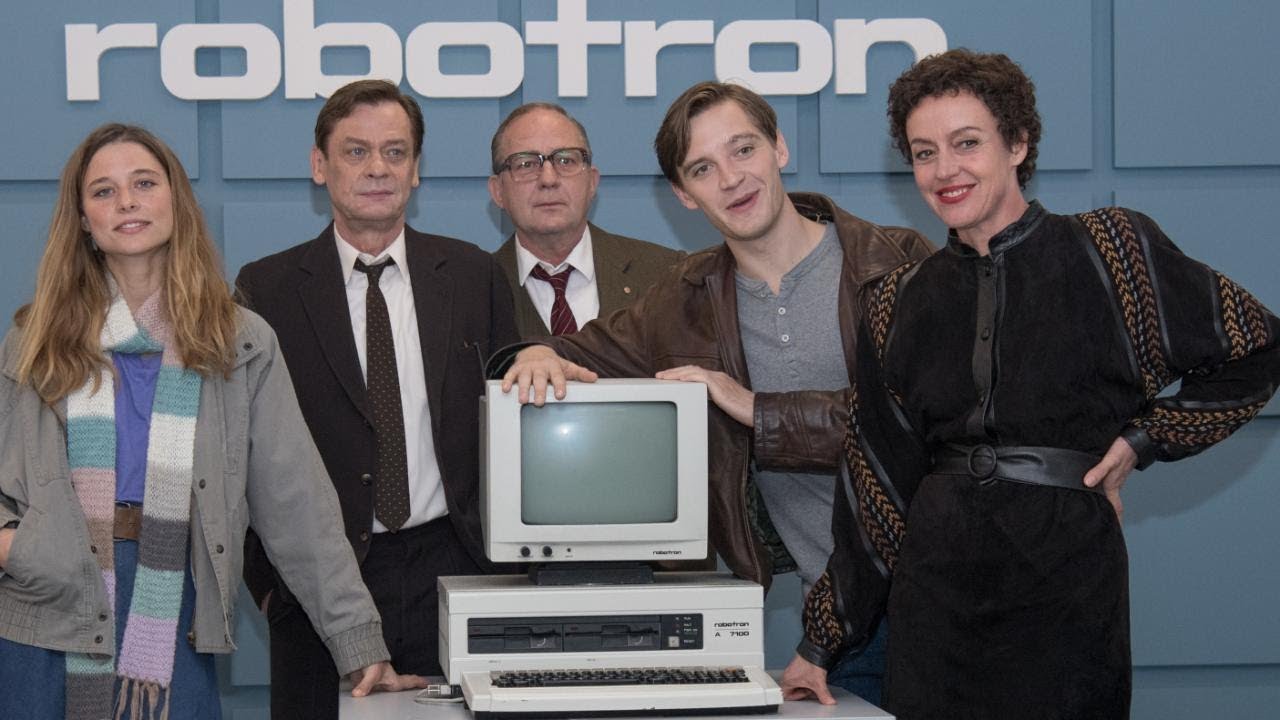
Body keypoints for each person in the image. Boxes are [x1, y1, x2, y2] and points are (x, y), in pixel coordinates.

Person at [781, 49, 1280, 719]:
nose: (944, 170)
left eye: (966, 143)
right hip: (936, 606)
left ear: (1016, 143)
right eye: (924, 153)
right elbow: (876, 487)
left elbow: (1258, 348)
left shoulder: (1113, 251)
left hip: (1066, 588)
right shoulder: (894, 301)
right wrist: (820, 641)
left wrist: (1143, 440)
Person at [492, 81, 933, 702]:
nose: (731, 179)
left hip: (944, 597)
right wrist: (537, 353)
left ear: (779, 148)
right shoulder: (683, 298)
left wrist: (756, 409)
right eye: (702, 168)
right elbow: (578, 351)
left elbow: (920, 424)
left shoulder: (896, 261)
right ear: (684, 194)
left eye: (743, 149)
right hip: (837, 626)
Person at [0, 124, 411, 720]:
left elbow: (295, 502)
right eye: (104, 191)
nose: (127, 202)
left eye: (145, 183)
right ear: (84, 220)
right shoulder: (34, 339)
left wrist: (356, 640)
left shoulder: (237, 341)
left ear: (176, 201)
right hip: (48, 605)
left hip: (174, 604)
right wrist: (19, 546)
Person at [235, 79, 519, 719]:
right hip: (319, 584)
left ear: (416, 169)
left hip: (455, 569)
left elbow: (507, 428)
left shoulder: (473, 274)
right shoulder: (266, 288)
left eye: (395, 152)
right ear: (320, 165)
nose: (377, 169)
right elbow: (243, 449)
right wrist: (269, 588)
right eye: (355, 151)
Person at [488, 102, 683, 339]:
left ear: (592, 182)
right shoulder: (475, 289)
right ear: (498, 191)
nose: (548, 179)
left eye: (565, 161)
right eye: (526, 164)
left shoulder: (668, 275)